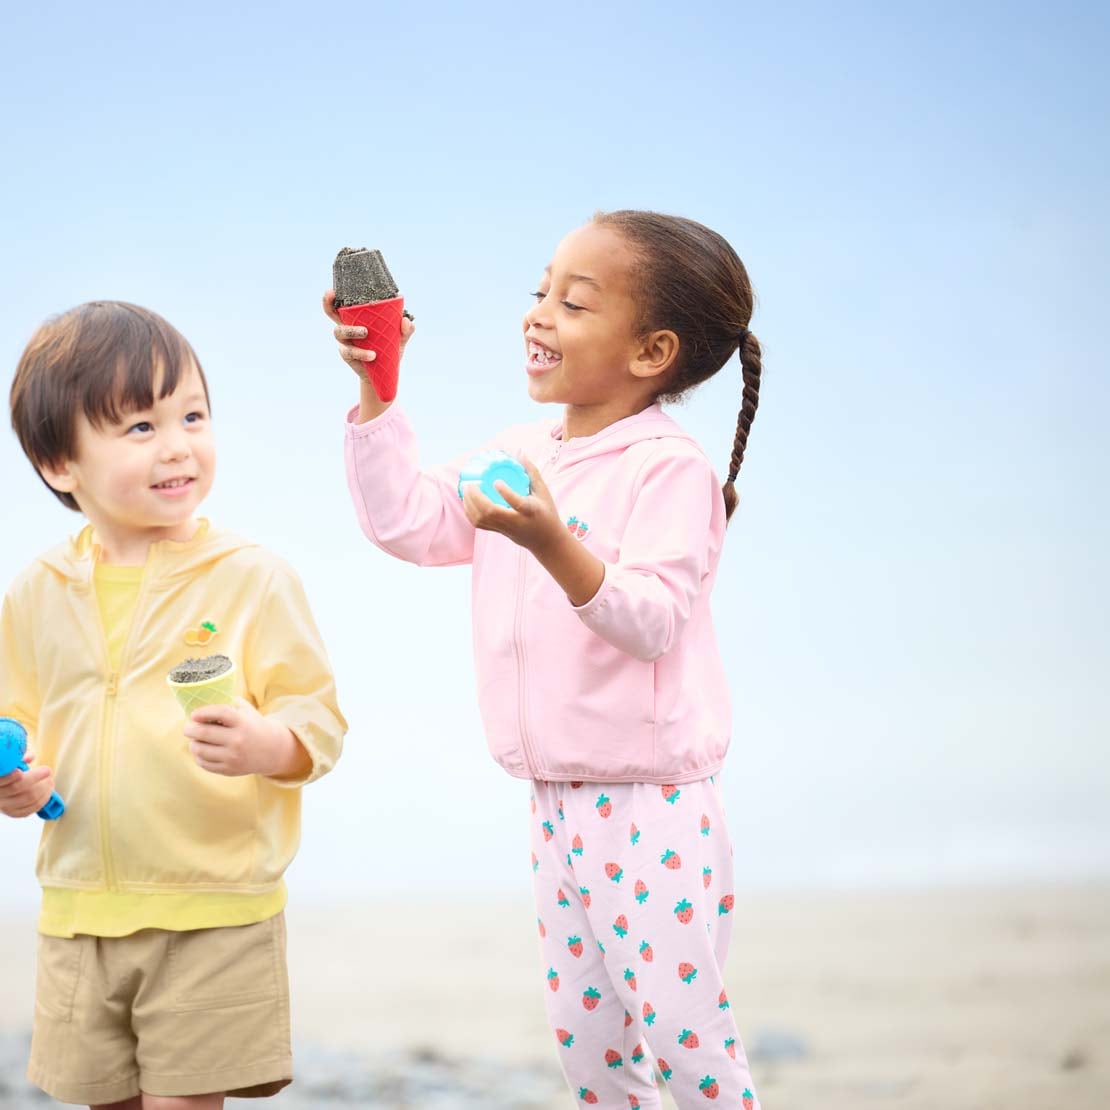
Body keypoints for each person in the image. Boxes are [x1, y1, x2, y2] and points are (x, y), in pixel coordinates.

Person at [329, 209, 763, 1108]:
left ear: (651, 353)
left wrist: (551, 541)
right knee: (591, 1049)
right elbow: (407, 522)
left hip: (653, 802)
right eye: (540, 293)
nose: (538, 316)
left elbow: (653, 618)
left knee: (685, 1039)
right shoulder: (519, 453)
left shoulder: (667, 470)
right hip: (556, 801)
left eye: (573, 303)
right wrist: (380, 390)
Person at [1, 301, 346, 1109]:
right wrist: (14, 784)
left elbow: (319, 723)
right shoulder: (35, 591)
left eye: (192, 414)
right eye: (139, 427)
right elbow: (12, 725)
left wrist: (270, 744)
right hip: (80, 909)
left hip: (214, 908)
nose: (179, 444)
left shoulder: (251, 577)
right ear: (60, 464)